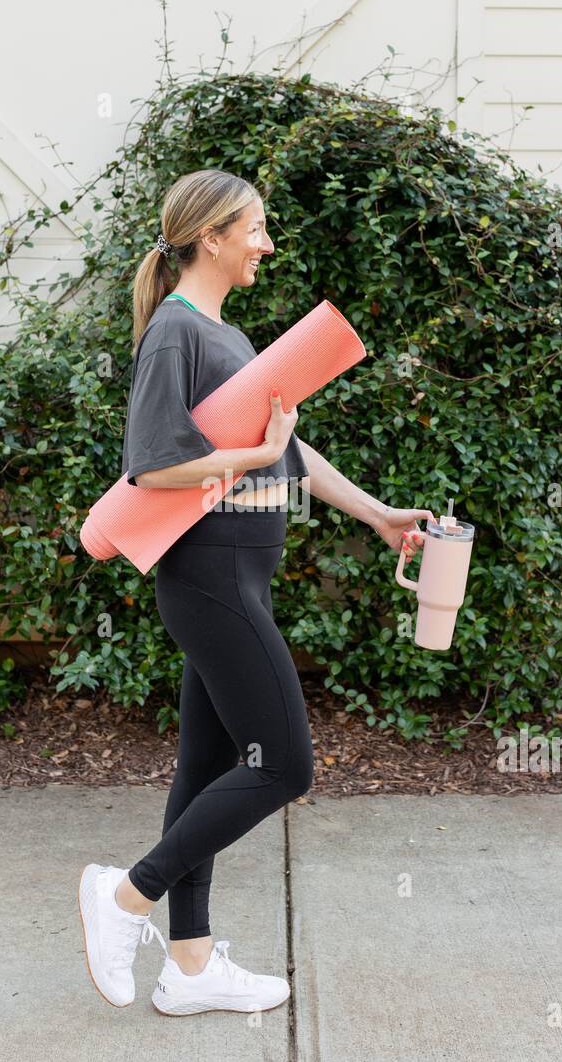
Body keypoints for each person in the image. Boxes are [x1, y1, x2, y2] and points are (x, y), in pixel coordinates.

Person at [79, 168, 434, 1017]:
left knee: (205, 769)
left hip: (239, 576)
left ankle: (191, 968)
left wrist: (377, 513)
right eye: (255, 230)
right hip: (209, 577)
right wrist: (251, 454)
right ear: (211, 238)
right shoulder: (176, 332)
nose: (266, 245)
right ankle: (125, 896)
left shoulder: (226, 335)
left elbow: (288, 454)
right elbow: (153, 464)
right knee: (283, 764)